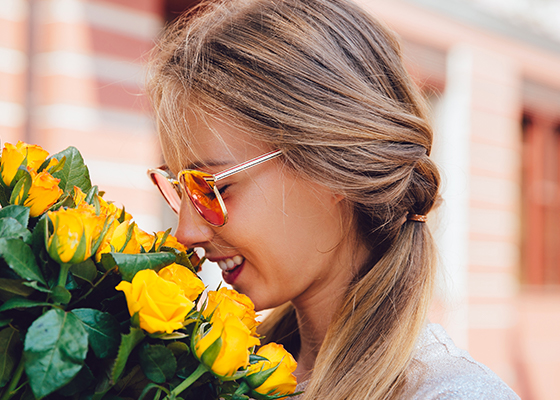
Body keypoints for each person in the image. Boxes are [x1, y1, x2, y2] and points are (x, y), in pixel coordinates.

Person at [143, 0, 520, 398]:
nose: (185, 232)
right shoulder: (222, 373)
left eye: (212, 188)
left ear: (331, 165)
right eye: (178, 189)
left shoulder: (450, 393)